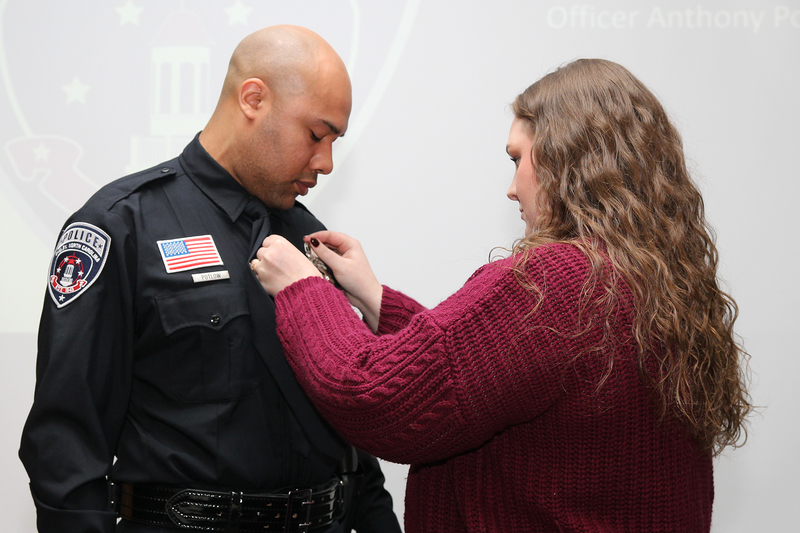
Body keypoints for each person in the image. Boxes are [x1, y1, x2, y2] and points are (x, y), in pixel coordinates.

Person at [250, 58, 752, 532]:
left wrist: (303, 289)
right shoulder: (650, 278)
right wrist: (375, 298)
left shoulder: (556, 281)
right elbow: (497, 372)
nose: (512, 189)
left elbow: (378, 399)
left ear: (566, 158)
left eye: (518, 159)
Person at [19, 26, 401, 533]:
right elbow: (66, 444)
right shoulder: (123, 225)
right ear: (253, 99)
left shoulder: (307, 238)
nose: (326, 163)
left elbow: (346, 415)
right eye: (316, 135)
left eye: (335, 142)